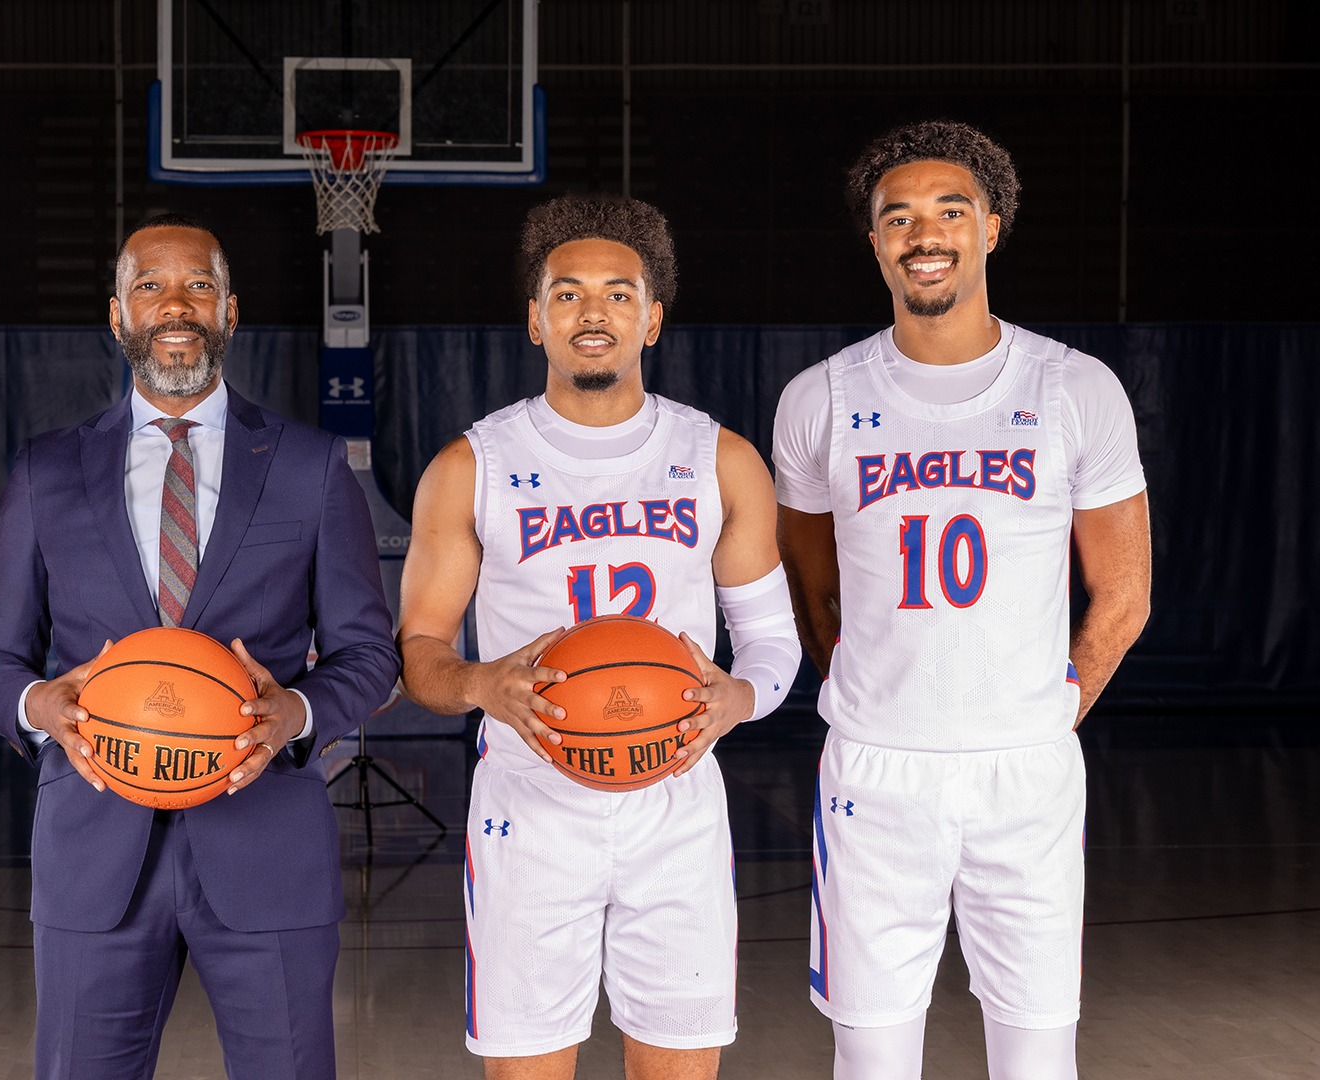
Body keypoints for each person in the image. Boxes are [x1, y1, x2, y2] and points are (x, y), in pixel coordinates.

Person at [0, 214, 399, 1080]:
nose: (175, 304)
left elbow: (369, 655)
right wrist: (36, 705)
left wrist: (298, 712)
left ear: (230, 311)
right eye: (150, 287)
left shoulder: (312, 467)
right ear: (117, 314)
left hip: (265, 836)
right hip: (95, 845)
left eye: (198, 285)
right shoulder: (48, 471)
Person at [772, 120, 1152, 1080]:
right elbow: (812, 585)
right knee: (872, 1059)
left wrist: (1051, 711)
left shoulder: (1074, 387)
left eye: (949, 211)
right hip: (875, 771)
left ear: (991, 226)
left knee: (1036, 1059)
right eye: (897, 216)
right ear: (874, 242)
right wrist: (877, 690)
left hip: (1024, 771)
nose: (922, 233)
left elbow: (1124, 590)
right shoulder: (819, 397)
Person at [397, 193, 802, 1080]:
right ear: (535, 319)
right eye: (568, 293)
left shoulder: (720, 459)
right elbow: (420, 654)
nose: (594, 312)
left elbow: (773, 643)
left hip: (677, 800)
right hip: (530, 804)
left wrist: (739, 697)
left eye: (619, 294)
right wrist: (479, 686)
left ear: (652, 319)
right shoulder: (471, 468)